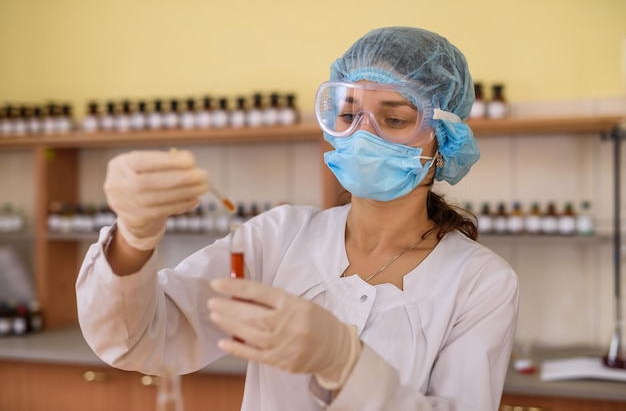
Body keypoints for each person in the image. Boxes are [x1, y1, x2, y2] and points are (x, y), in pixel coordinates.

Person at [76, 26, 519, 411]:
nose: (363, 133)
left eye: (395, 118)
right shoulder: (279, 237)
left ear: (443, 139)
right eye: (347, 114)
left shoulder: (481, 283)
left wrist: (348, 366)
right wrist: (134, 236)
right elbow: (143, 339)